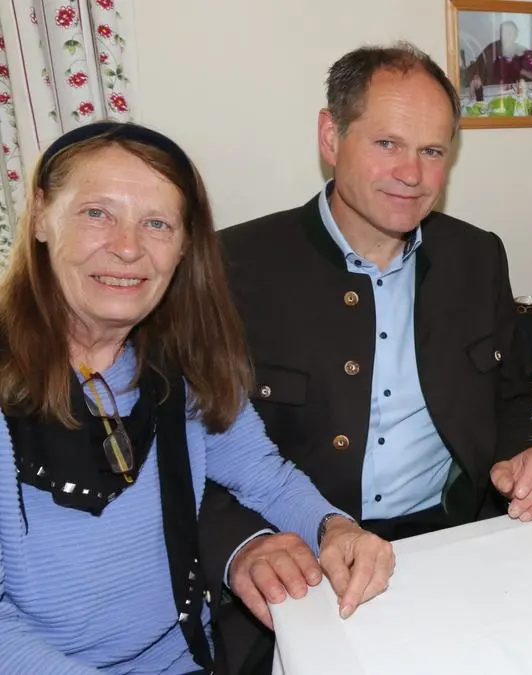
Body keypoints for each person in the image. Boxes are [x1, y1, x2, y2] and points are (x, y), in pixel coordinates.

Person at [203, 42, 532, 674]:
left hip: (456, 542)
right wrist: (244, 545)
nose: (412, 173)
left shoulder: (476, 256)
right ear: (330, 135)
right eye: (387, 144)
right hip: (296, 561)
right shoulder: (231, 267)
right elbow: (189, 451)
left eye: (432, 151)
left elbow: (511, 397)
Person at [0, 121, 393, 674]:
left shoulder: (180, 364)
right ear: (41, 215)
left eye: (156, 223)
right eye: (97, 213)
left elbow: (265, 475)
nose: (128, 247)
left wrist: (336, 529)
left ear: (184, 247)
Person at [467, 20, 532, 89]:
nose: (507, 35)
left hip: (515, 90)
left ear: (516, 35)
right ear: (501, 34)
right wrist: (475, 77)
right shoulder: (492, 49)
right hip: (493, 89)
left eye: (511, 33)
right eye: (505, 32)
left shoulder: (521, 50)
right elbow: (478, 67)